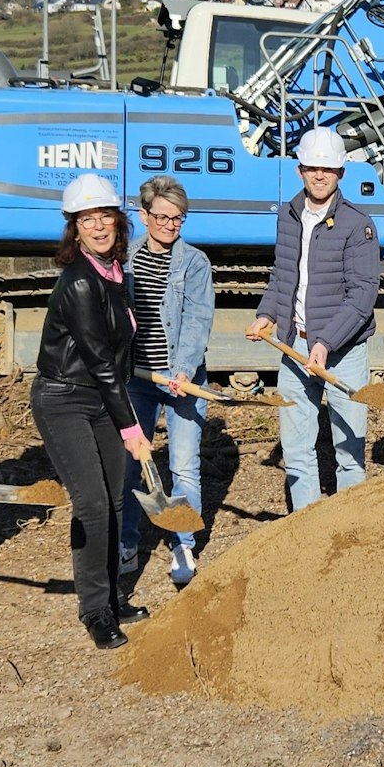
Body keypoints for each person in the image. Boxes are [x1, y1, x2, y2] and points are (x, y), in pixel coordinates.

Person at [31, 173, 153, 649]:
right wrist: (132, 427)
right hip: (65, 399)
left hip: (102, 395)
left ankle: (111, 598)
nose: (98, 225)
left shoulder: (116, 272)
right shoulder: (80, 282)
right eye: (87, 219)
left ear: (118, 222)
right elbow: (100, 361)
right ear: (74, 228)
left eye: (105, 215)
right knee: (93, 505)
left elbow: (119, 350)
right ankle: (96, 611)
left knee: (118, 499)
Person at [248, 127, 380, 511]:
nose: (319, 175)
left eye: (328, 168)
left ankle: (348, 528)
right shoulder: (288, 216)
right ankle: (305, 532)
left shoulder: (359, 225)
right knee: (297, 446)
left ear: (341, 173)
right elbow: (282, 276)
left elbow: (362, 297)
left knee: (349, 448)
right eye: (311, 167)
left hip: (343, 351)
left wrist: (325, 343)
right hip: (294, 345)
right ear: (300, 170)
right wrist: (266, 314)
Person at [122, 175, 215, 587]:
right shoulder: (121, 259)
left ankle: (183, 543)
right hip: (136, 378)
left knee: (184, 465)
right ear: (144, 215)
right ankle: (125, 541)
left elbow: (198, 319)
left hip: (181, 379)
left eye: (178, 218)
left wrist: (184, 368)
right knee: (130, 462)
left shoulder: (194, 263)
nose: (170, 225)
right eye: (162, 217)